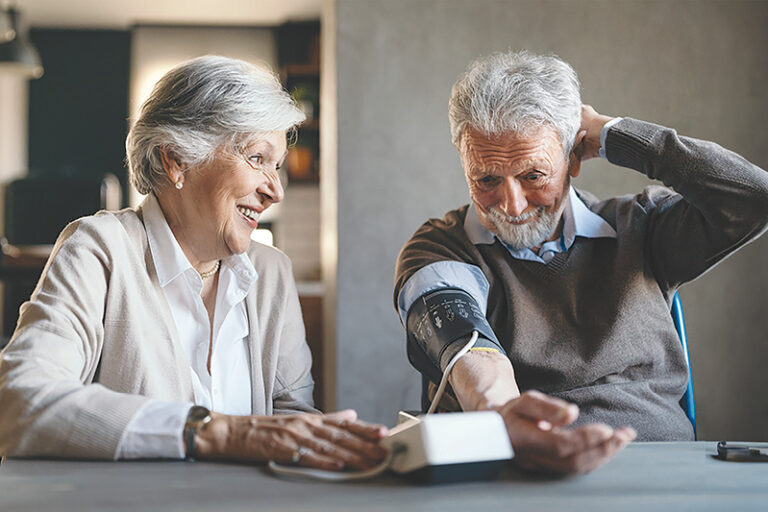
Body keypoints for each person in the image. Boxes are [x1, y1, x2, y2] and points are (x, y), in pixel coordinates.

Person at [0, 56, 386, 471]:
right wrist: (220, 432)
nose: (275, 191)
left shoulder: (271, 272)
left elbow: (292, 421)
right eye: (257, 158)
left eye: (277, 166)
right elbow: (20, 400)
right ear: (176, 160)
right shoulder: (100, 248)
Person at [394, 51, 768, 473]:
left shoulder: (642, 227)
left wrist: (614, 134)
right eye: (487, 179)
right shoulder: (441, 246)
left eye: (533, 175)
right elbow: (465, 345)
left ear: (573, 156)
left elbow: (754, 199)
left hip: (658, 466)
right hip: (513, 467)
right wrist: (502, 415)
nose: (511, 204)